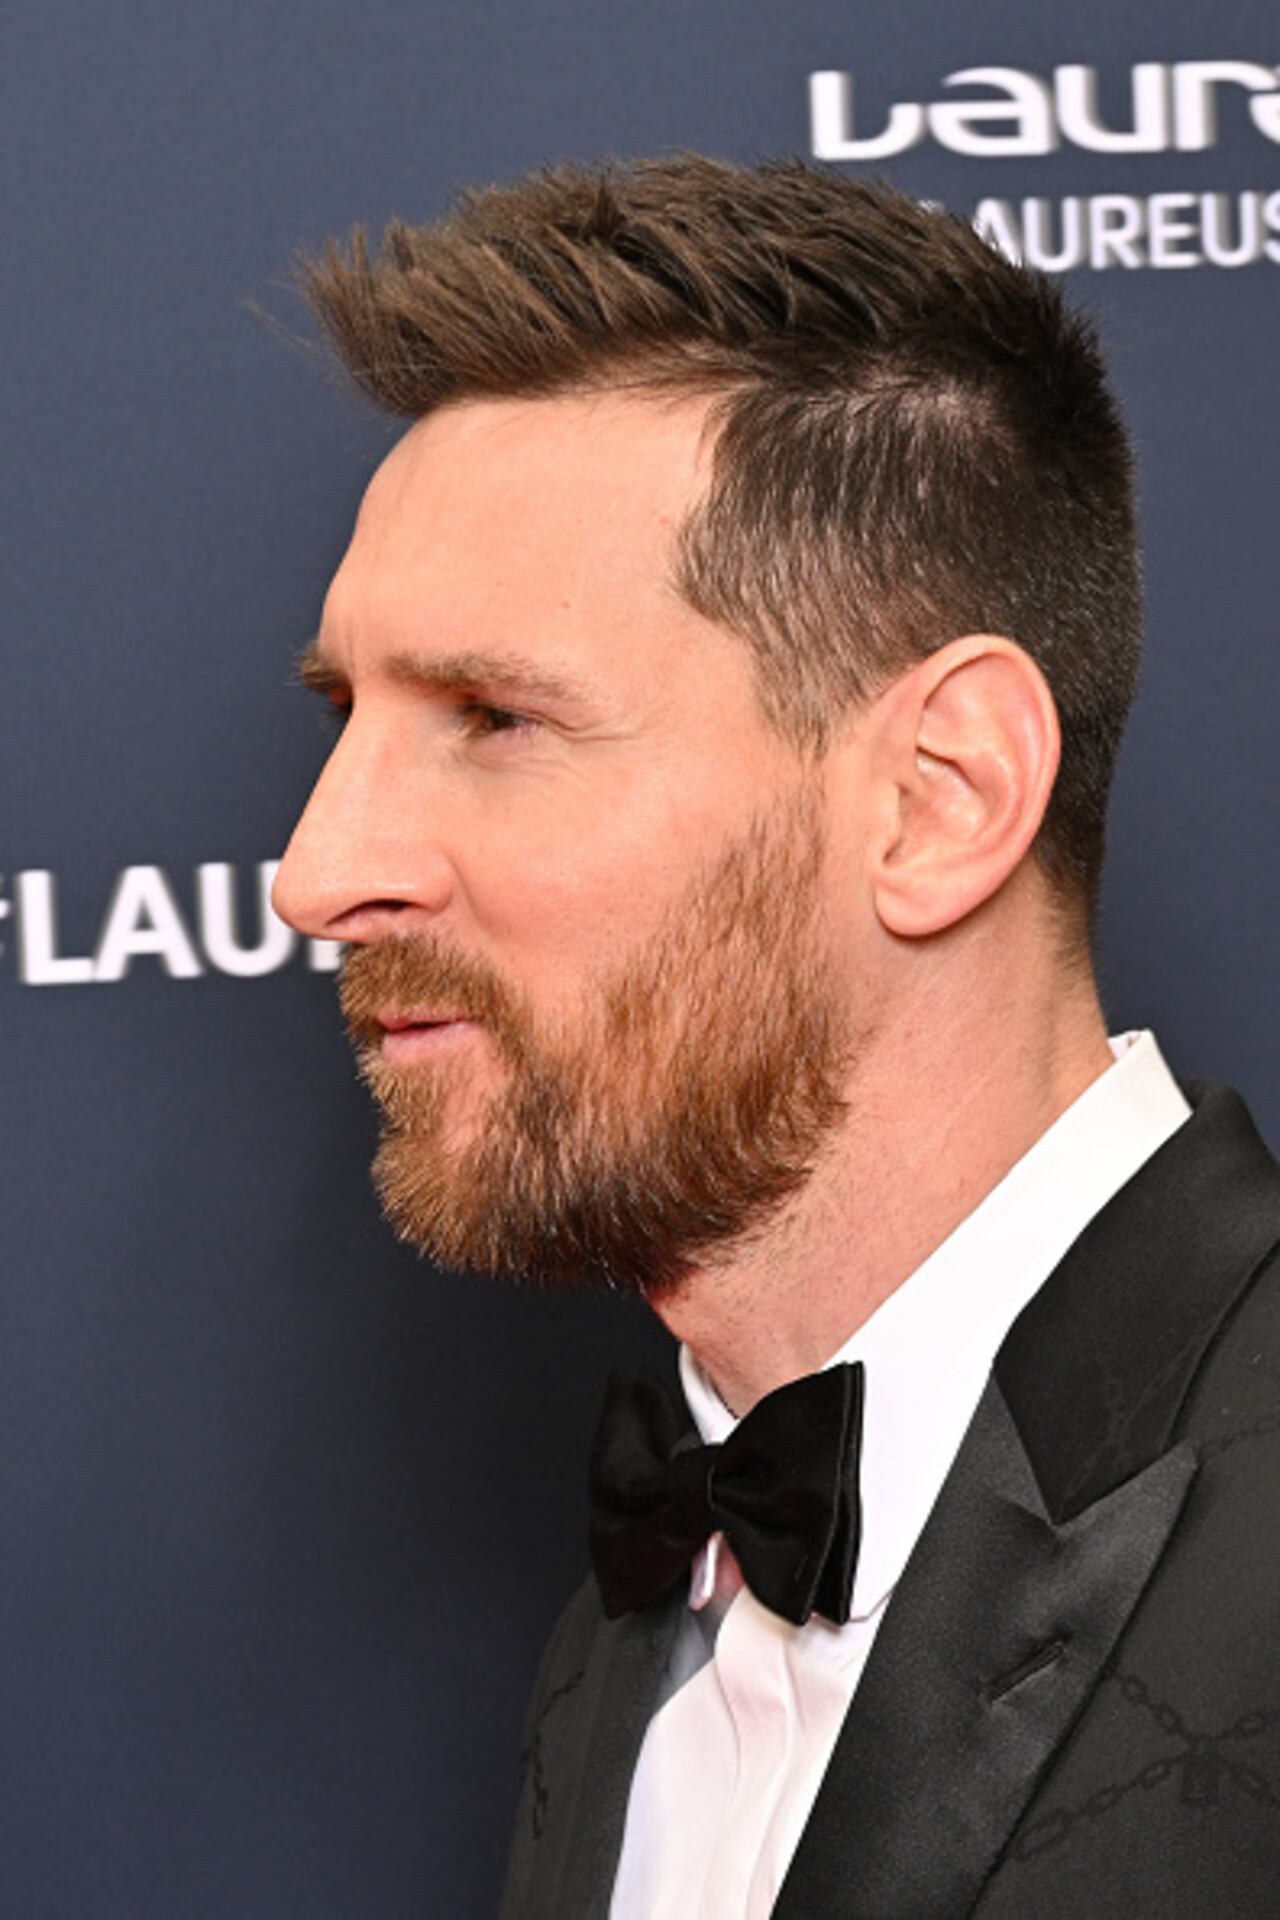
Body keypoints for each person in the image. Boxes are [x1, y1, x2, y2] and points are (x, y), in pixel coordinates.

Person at [271, 157, 1280, 1918]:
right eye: (347, 714)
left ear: (942, 796)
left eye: (495, 715)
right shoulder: (640, 1618)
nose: (316, 872)